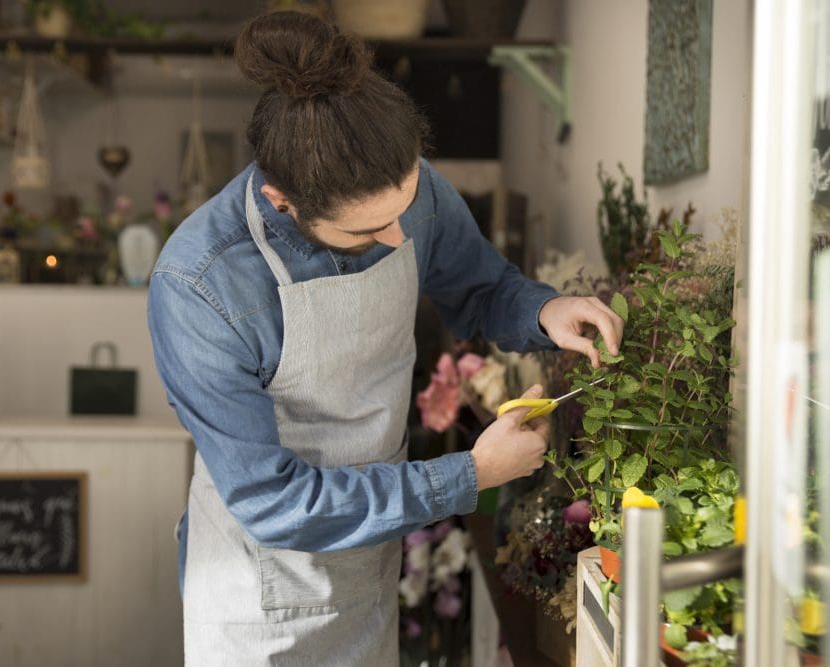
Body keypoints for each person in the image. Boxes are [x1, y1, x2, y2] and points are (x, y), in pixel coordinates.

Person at [148, 11, 624, 666]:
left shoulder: (409, 188)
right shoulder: (201, 286)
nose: (400, 240)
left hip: (367, 566)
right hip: (259, 596)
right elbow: (276, 501)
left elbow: (479, 285)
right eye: (368, 232)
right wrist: (472, 474)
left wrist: (545, 310)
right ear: (282, 200)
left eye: (404, 209)